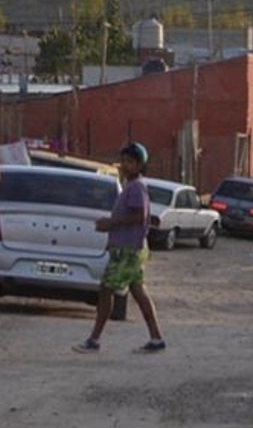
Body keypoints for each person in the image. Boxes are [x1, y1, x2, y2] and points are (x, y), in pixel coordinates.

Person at [74, 143, 166, 354]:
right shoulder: (130, 186)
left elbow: (139, 215)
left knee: (106, 290)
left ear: (139, 165)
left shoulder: (136, 187)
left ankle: (94, 340)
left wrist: (111, 224)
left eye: (130, 162)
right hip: (128, 248)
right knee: (138, 291)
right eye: (123, 160)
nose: (124, 165)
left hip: (128, 250)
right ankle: (156, 337)